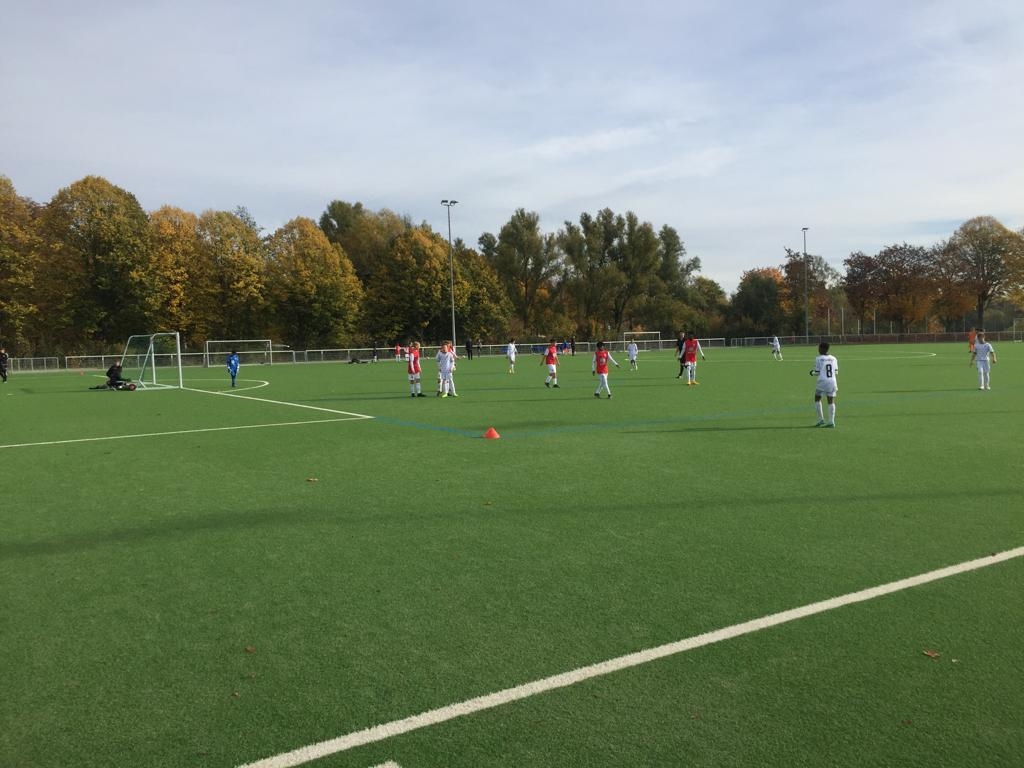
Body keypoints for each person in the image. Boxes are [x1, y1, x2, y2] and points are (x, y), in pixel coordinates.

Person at [811, 341, 839, 427]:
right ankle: (831, 421)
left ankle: (820, 419)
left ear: (822, 349)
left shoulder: (818, 358)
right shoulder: (834, 358)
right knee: (831, 400)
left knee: (817, 398)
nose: (818, 349)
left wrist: (811, 373)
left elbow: (817, 372)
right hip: (832, 381)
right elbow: (836, 372)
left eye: (819, 348)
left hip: (822, 381)